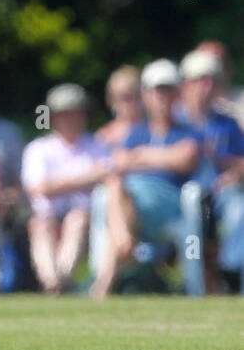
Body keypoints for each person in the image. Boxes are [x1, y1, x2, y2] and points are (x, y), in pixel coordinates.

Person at [91, 60, 201, 299]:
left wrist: (140, 156)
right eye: (156, 90)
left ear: (177, 93)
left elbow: (187, 158)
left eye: (167, 89)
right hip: (131, 200)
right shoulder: (137, 132)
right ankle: (122, 243)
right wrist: (163, 157)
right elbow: (118, 163)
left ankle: (105, 280)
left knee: (117, 193)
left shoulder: (188, 131)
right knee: (115, 186)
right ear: (147, 96)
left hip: (169, 204)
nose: (161, 96)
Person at [19, 84, 108, 294]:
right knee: (42, 225)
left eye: (75, 113)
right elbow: (37, 188)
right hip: (46, 215)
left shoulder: (97, 145)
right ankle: (52, 281)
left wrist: (58, 185)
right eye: (64, 114)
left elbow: (105, 176)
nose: (70, 119)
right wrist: (84, 179)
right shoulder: (38, 148)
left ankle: (62, 278)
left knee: (77, 220)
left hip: (86, 215)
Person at [176, 49, 244, 292]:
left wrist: (233, 172)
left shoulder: (227, 123)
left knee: (239, 209)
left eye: (211, 81)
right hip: (181, 196)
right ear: (184, 85)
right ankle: (194, 288)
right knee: (192, 213)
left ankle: (230, 272)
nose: (206, 87)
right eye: (199, 80)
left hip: (221, 196)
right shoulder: (173, 120)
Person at [96, 65, 142, 147]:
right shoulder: (103, 136)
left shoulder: (156, 129)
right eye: (123, 97)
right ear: (111, 99)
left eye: (134, 95)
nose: (129, 101)